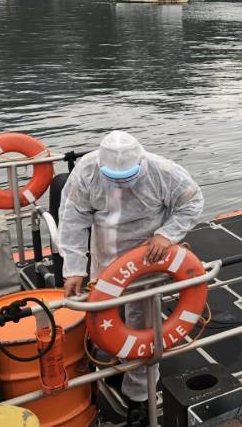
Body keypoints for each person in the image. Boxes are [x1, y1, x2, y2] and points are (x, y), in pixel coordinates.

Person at [59, 131, 204, 427]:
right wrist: (73, 268)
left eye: (127, 177)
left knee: (142, 323)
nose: (121, 185)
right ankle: (104, 368)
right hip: (104, 258)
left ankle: (140, 396)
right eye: (114, 178)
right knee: (101, 317)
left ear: (141, 163)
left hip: (146, 260)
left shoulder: (164, 172)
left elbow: (192, 202)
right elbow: (73, 218)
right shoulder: (86, 172)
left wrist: (167, 234)